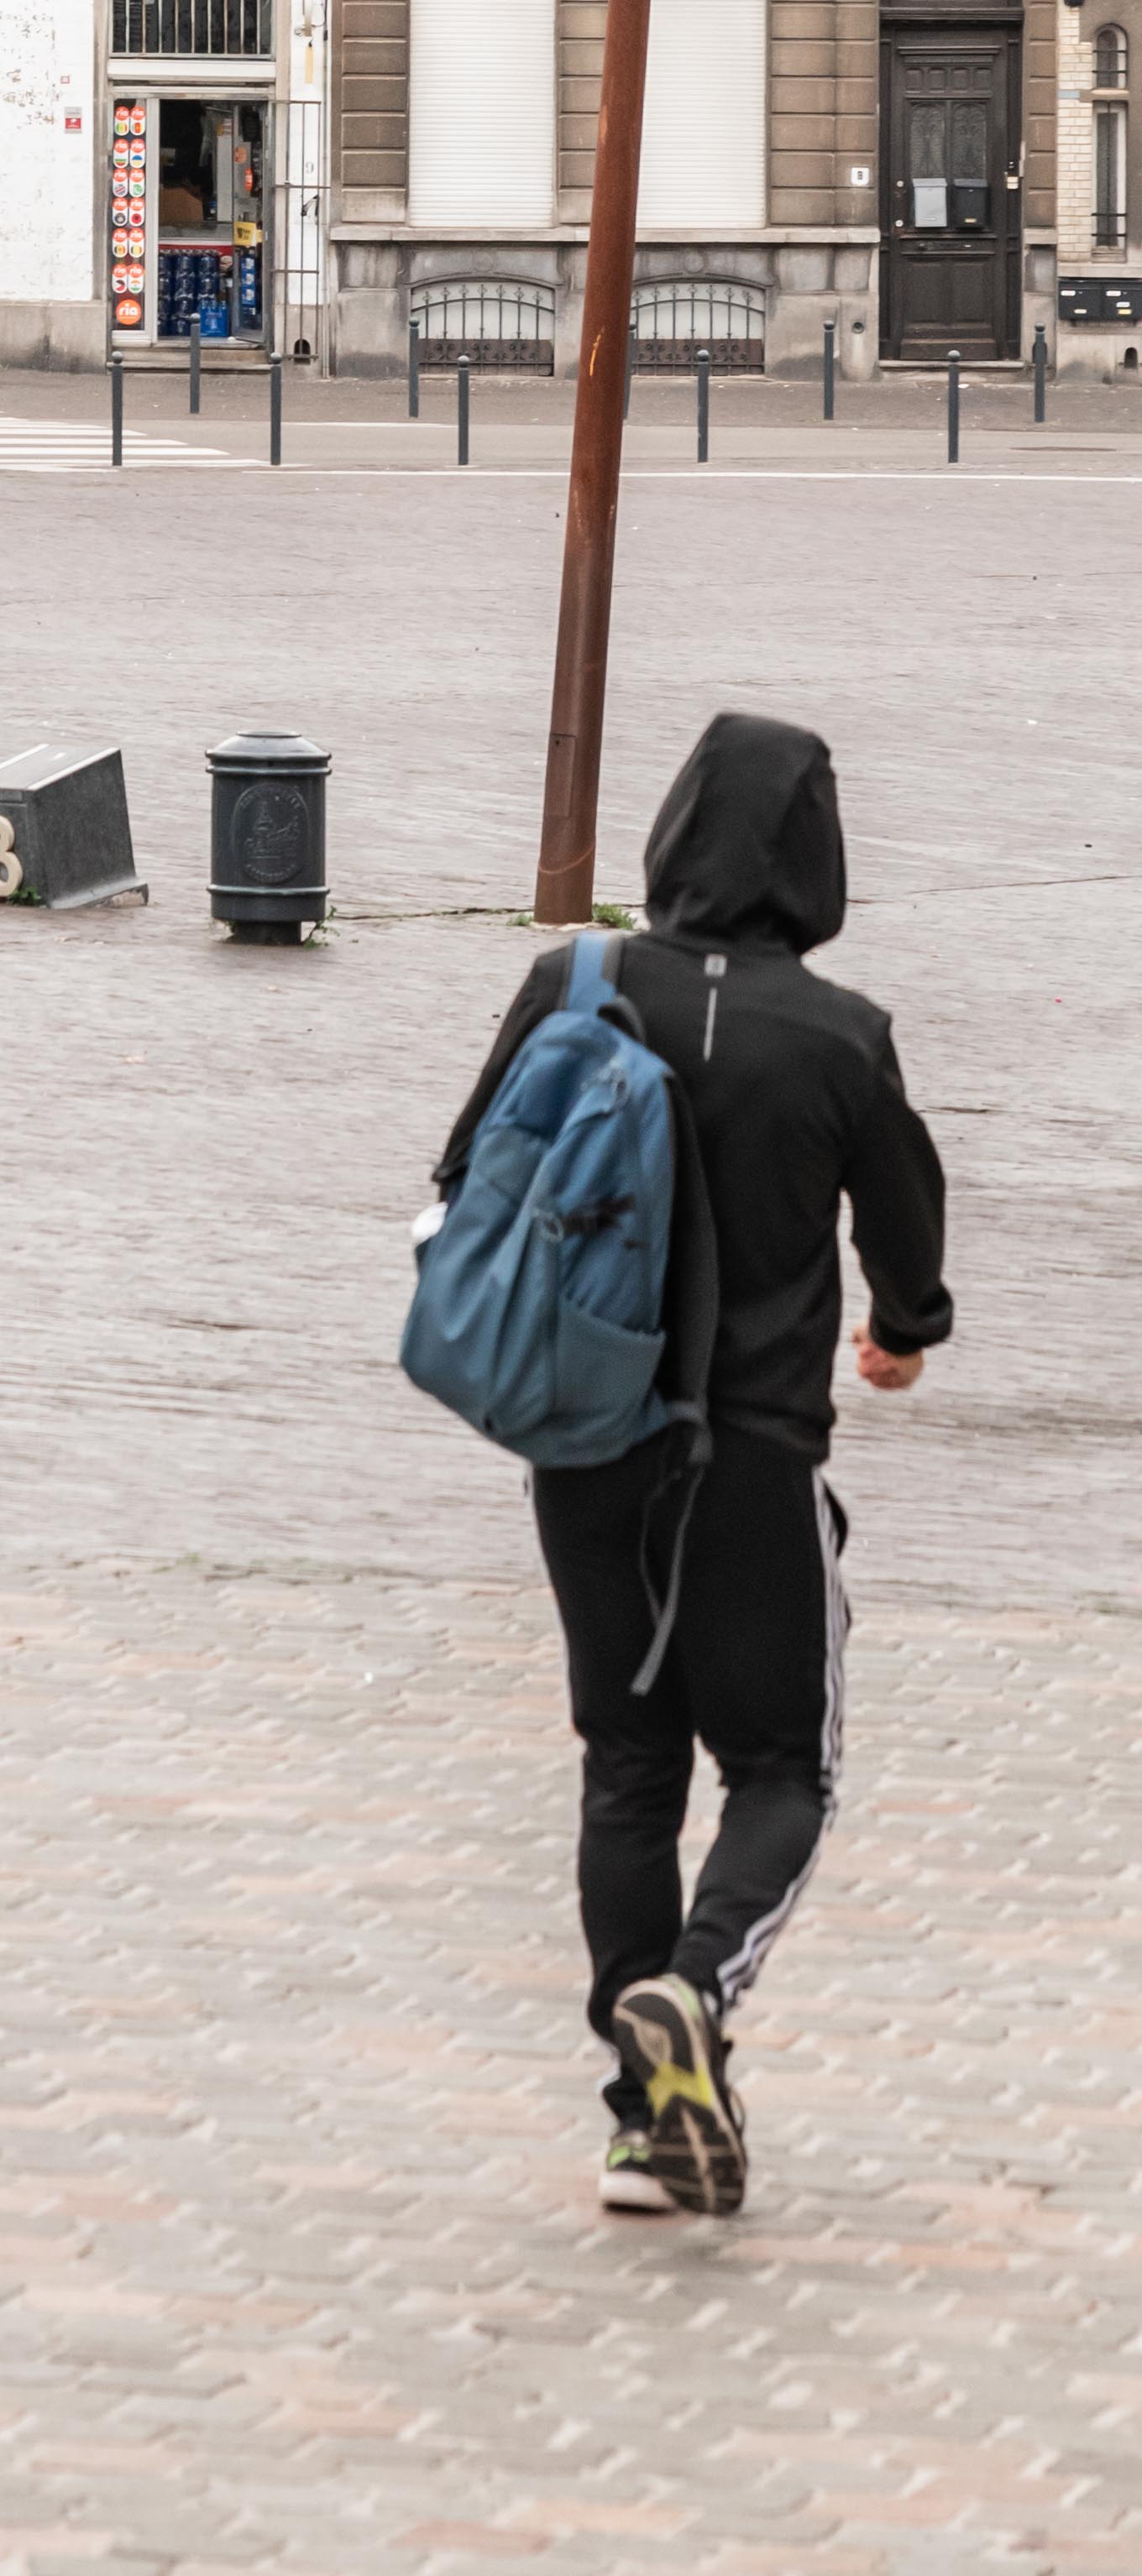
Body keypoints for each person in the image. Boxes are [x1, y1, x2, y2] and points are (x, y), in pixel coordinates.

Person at [430, 710, 950, 2223]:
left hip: (584, 1445)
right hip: (754, 1460)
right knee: (782, 1767)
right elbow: (907, 1253)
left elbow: (464, 1175)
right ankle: (694, 1994)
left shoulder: (571, 982)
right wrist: (899, 1334)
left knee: (628, 1764)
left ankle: (635, 2119)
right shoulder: (841, 1034)